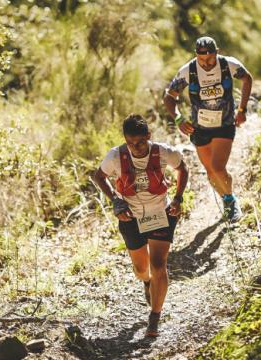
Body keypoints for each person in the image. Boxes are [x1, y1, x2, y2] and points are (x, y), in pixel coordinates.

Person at [92, 114, 189, 337]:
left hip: (160, 213)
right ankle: (146, 282)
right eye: (130, 143)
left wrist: (178, 198)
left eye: (140, 142)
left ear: (148, 136)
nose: (135, 147)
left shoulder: (164, 151)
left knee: (158, 265)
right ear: (125, 140)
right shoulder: (115, 156)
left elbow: (182, 169)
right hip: (130, 217)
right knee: (141, 270)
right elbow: (99, 176)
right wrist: (115, 200)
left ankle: (154, 317)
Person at [163, 36, 252, 222]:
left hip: (224, 124)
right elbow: (169, 97)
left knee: (218, 167)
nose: (206, 63)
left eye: (210, 58)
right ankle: (225, 198)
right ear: (196, 55)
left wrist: (242, 109)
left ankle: (230, 200)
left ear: (217, 52)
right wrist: (178, 118)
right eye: (202, 59)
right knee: (211, 171)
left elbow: (247, 78)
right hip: (199, 128)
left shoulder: (228, 65)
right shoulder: (189, 70)